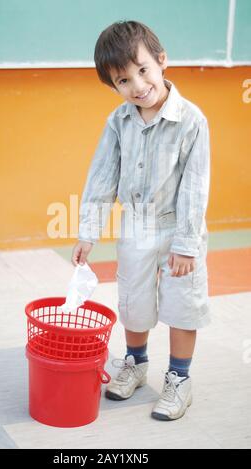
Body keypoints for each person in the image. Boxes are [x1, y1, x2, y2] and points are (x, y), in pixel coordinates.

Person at [71, 20, 210, 421]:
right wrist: (87, 233)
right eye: (123, 80)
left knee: (183, 304)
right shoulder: (119, 121)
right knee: (133, 302)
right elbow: (101, 177)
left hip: (178, 227)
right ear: (113, 87)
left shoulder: (191, 121)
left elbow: (195, 187)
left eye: (143, 71)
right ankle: (136, 362)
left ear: (162, 61)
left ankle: (179, 379)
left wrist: (186, 244)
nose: (137, 86)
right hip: (136, 227)